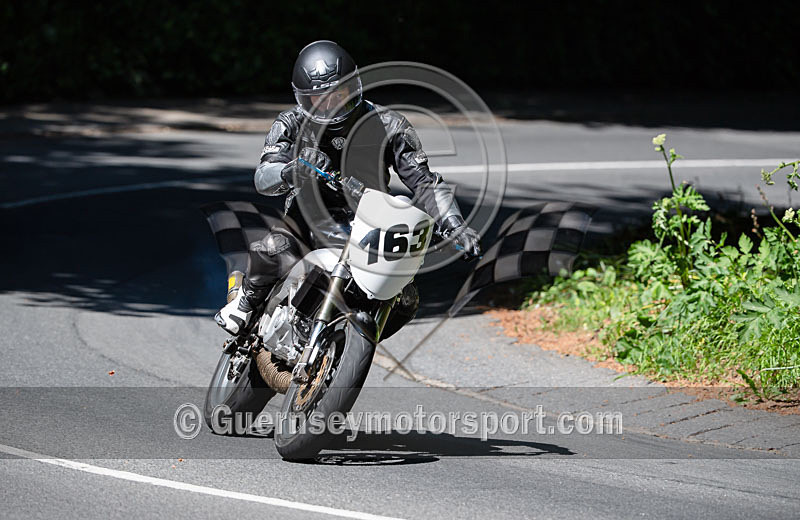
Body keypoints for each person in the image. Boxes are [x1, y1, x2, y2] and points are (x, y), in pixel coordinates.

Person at [215, 40, 481, 336]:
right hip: (309, 216)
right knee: (274, 248)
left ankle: (350, 340)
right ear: (303, 99)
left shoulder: (390, 125)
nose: (331, 106)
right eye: (319, 100)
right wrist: (291, 171)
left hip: (371, 223)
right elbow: (264, 176)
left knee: (405, 299)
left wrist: (454, 224)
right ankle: (246, 302)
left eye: (338, 95)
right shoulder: (290, 124)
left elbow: (424, 181)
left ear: (354, 87)